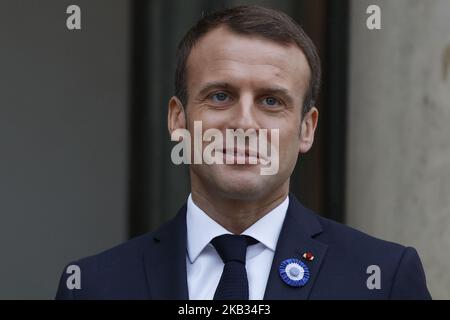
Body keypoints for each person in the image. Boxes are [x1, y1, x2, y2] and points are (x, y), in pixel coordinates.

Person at [56, 5, 431, 300]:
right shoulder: (92, 287)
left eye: (271, 101)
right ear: (177, 119)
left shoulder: (382, 280)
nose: (244, 124)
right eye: (220, 96)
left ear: (306, 129)